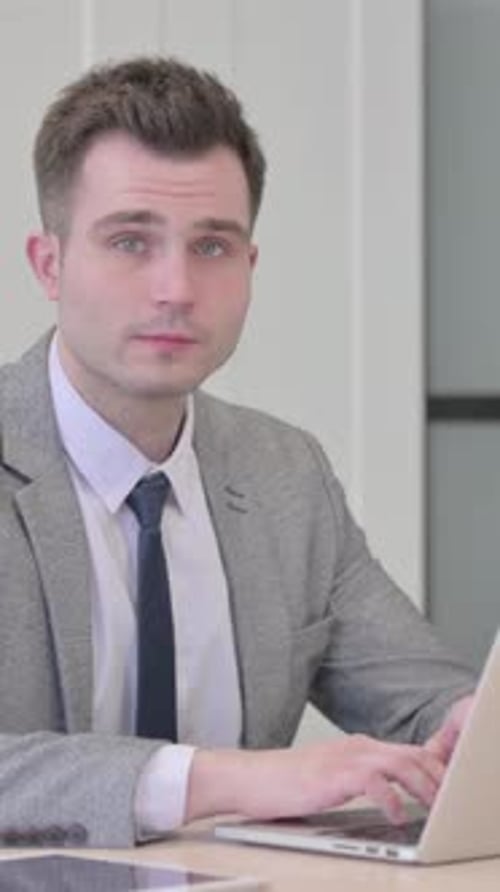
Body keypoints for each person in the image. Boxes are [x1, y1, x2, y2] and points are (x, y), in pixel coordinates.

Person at [0, 56, 475, 849]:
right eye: (130, 241)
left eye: (212, 247)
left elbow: (423, 696)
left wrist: (468, 731)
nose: (176, 289)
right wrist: (233, 778)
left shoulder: (285, 473)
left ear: (250, 267)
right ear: (49, 264)